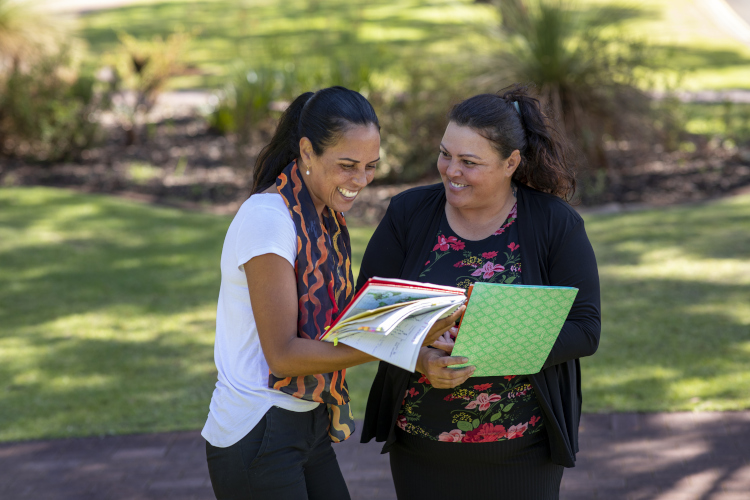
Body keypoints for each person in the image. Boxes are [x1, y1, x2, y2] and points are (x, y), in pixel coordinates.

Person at [201, 86, 464, 500]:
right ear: (307, 152)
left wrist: (420, 338)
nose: (359, 181)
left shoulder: (323, 220)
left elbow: (342, 329)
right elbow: (284, 354)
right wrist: (400, 340)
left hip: (307, 422)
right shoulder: (268, 220)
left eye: (370, 166)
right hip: (257, 428)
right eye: (347, 165)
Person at [358, 85, 601, 499]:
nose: (451, 170)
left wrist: (490, 342)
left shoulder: (554, 223)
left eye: (469, 162)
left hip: (523, 449)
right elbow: (365, 318)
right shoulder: (408, 213)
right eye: (445, 154)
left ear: (510, 162)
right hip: (421, 446)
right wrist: (421, 358)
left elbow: (585, 328)